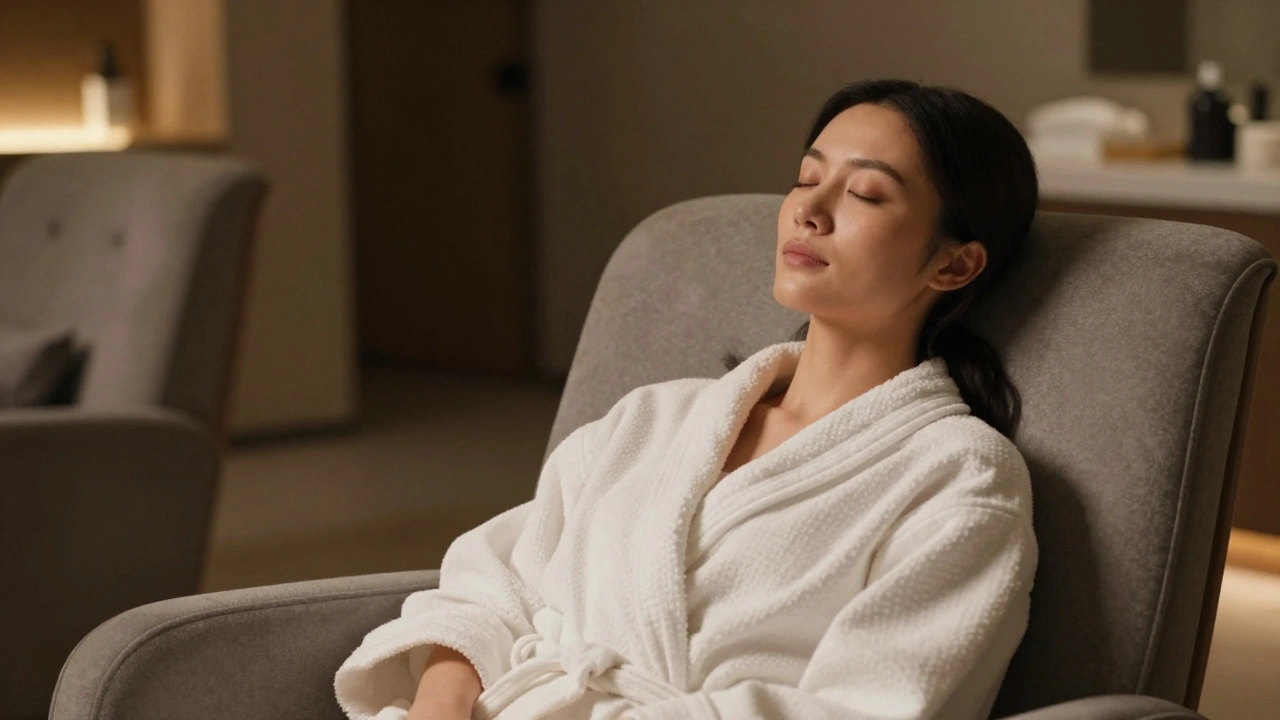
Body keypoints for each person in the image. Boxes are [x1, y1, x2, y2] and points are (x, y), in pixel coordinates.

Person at [335, 79, 1040, 720]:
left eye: (865, 194)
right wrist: (440, 704)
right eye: (806, 178)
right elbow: (492, 587)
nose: (808, 211)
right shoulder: (656, 418)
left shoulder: (961, 477)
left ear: (954, 263)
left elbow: (873, 705)